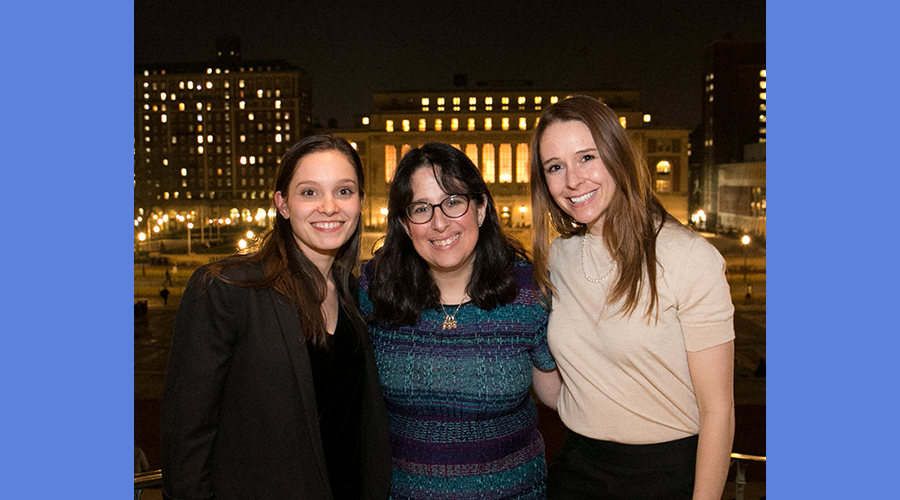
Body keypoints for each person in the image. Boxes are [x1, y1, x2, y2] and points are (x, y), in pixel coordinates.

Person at [160, 134, 391, 500]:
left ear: (361, 201)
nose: (329, 207)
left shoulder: (355, 296)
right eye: (309, 192)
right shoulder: (227, 290)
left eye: (344, 191)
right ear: (282, 204)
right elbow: (186, 438)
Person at [529, 96, 735, 500]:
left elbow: (719, 413)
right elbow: (561, 391)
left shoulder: (688, 256)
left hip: (667, 475)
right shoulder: (557, 258)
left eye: (586, 157)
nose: (573, 179)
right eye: (555, 167)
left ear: (617, 154)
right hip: (578, 470)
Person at [360, 142, 561, 499]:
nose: (439, 223)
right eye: (421, 208)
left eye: (453, 202)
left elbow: (559, 396)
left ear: (481, 208)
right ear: (406, 225)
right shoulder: (375, 289)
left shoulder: (528, 293)